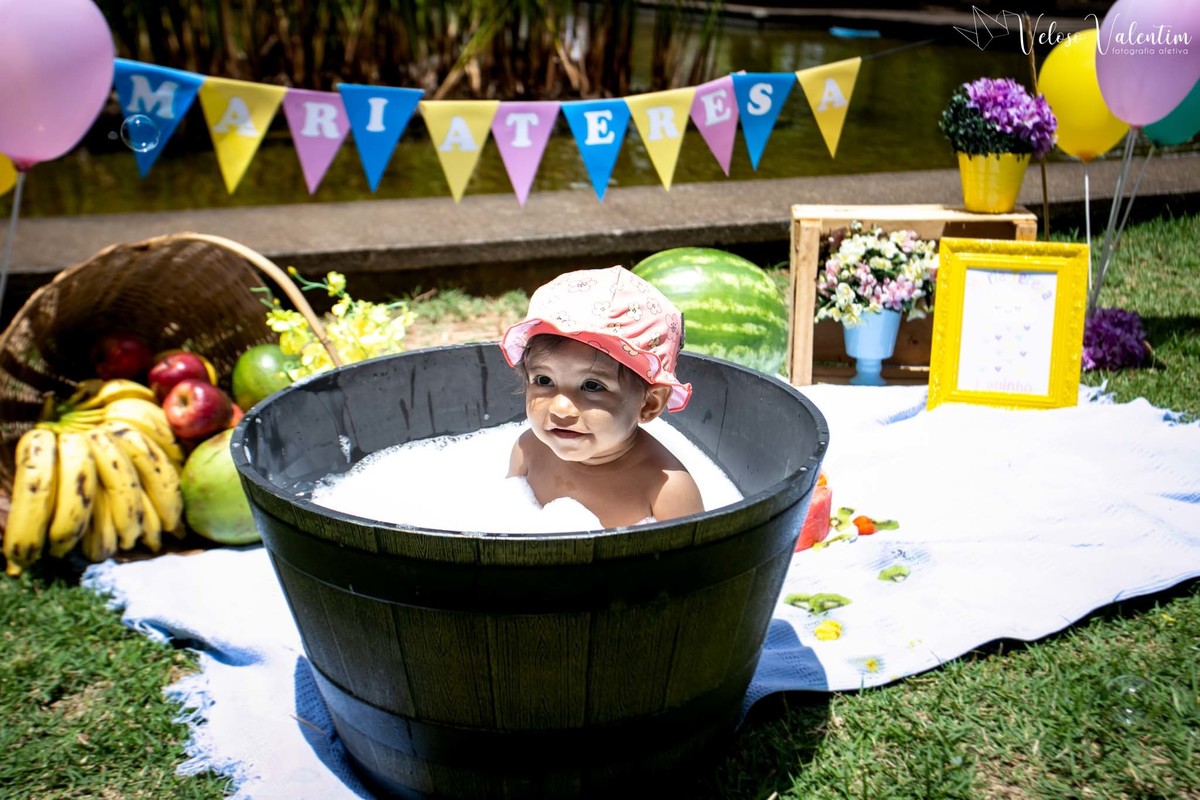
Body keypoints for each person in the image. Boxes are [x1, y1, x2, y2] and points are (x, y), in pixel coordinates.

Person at [500, 265, 704, 529]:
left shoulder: (666, 491)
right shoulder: (528, 451)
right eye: (544, 381)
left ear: (650, 403)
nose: (561, 409)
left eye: (592, 386)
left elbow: (693, 566)